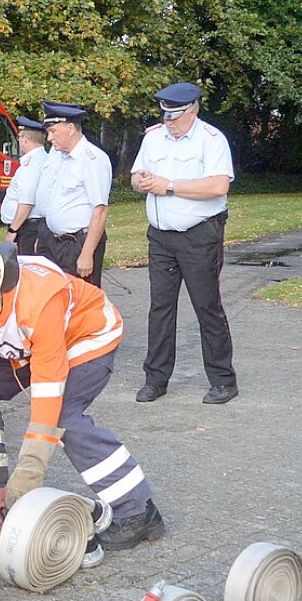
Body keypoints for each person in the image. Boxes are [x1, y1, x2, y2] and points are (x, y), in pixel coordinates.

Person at [0, 243, 164, 551]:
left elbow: (46, 393)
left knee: (65, 419)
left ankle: (138, 510)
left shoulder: (41, 300)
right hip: (29, 347)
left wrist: (29, 471)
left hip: (87, 337)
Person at [130, 82, 238, 404]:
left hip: (199, 235)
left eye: (175, 117)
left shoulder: (212, 140)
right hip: (161, 236)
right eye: (165, 117)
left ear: (193, 111)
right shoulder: (153, 138)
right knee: (160, 308)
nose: (169, 123)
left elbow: (219, 185)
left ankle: (223, 380)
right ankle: (156, 378)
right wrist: (142, 182)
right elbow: (136, 176)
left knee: (207, 306)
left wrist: (170, 186)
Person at [31, 101, 110, 284]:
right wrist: (43, 237)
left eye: (53, 131)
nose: (49, 138)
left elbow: (100, 210)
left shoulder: (92, 159)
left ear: (71, 128)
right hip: (52, 240)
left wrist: (87, 254)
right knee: (53, 297)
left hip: (76, 243)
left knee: (81, 302)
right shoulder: (58, 155)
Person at [2, 117, 49, 255]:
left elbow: (26, 202)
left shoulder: (30, 165)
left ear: (25, 139)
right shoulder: (45, 159)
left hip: (27, 228)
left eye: (19, 138)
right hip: (34, 226)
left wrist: (13, 230)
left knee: (25, 267)